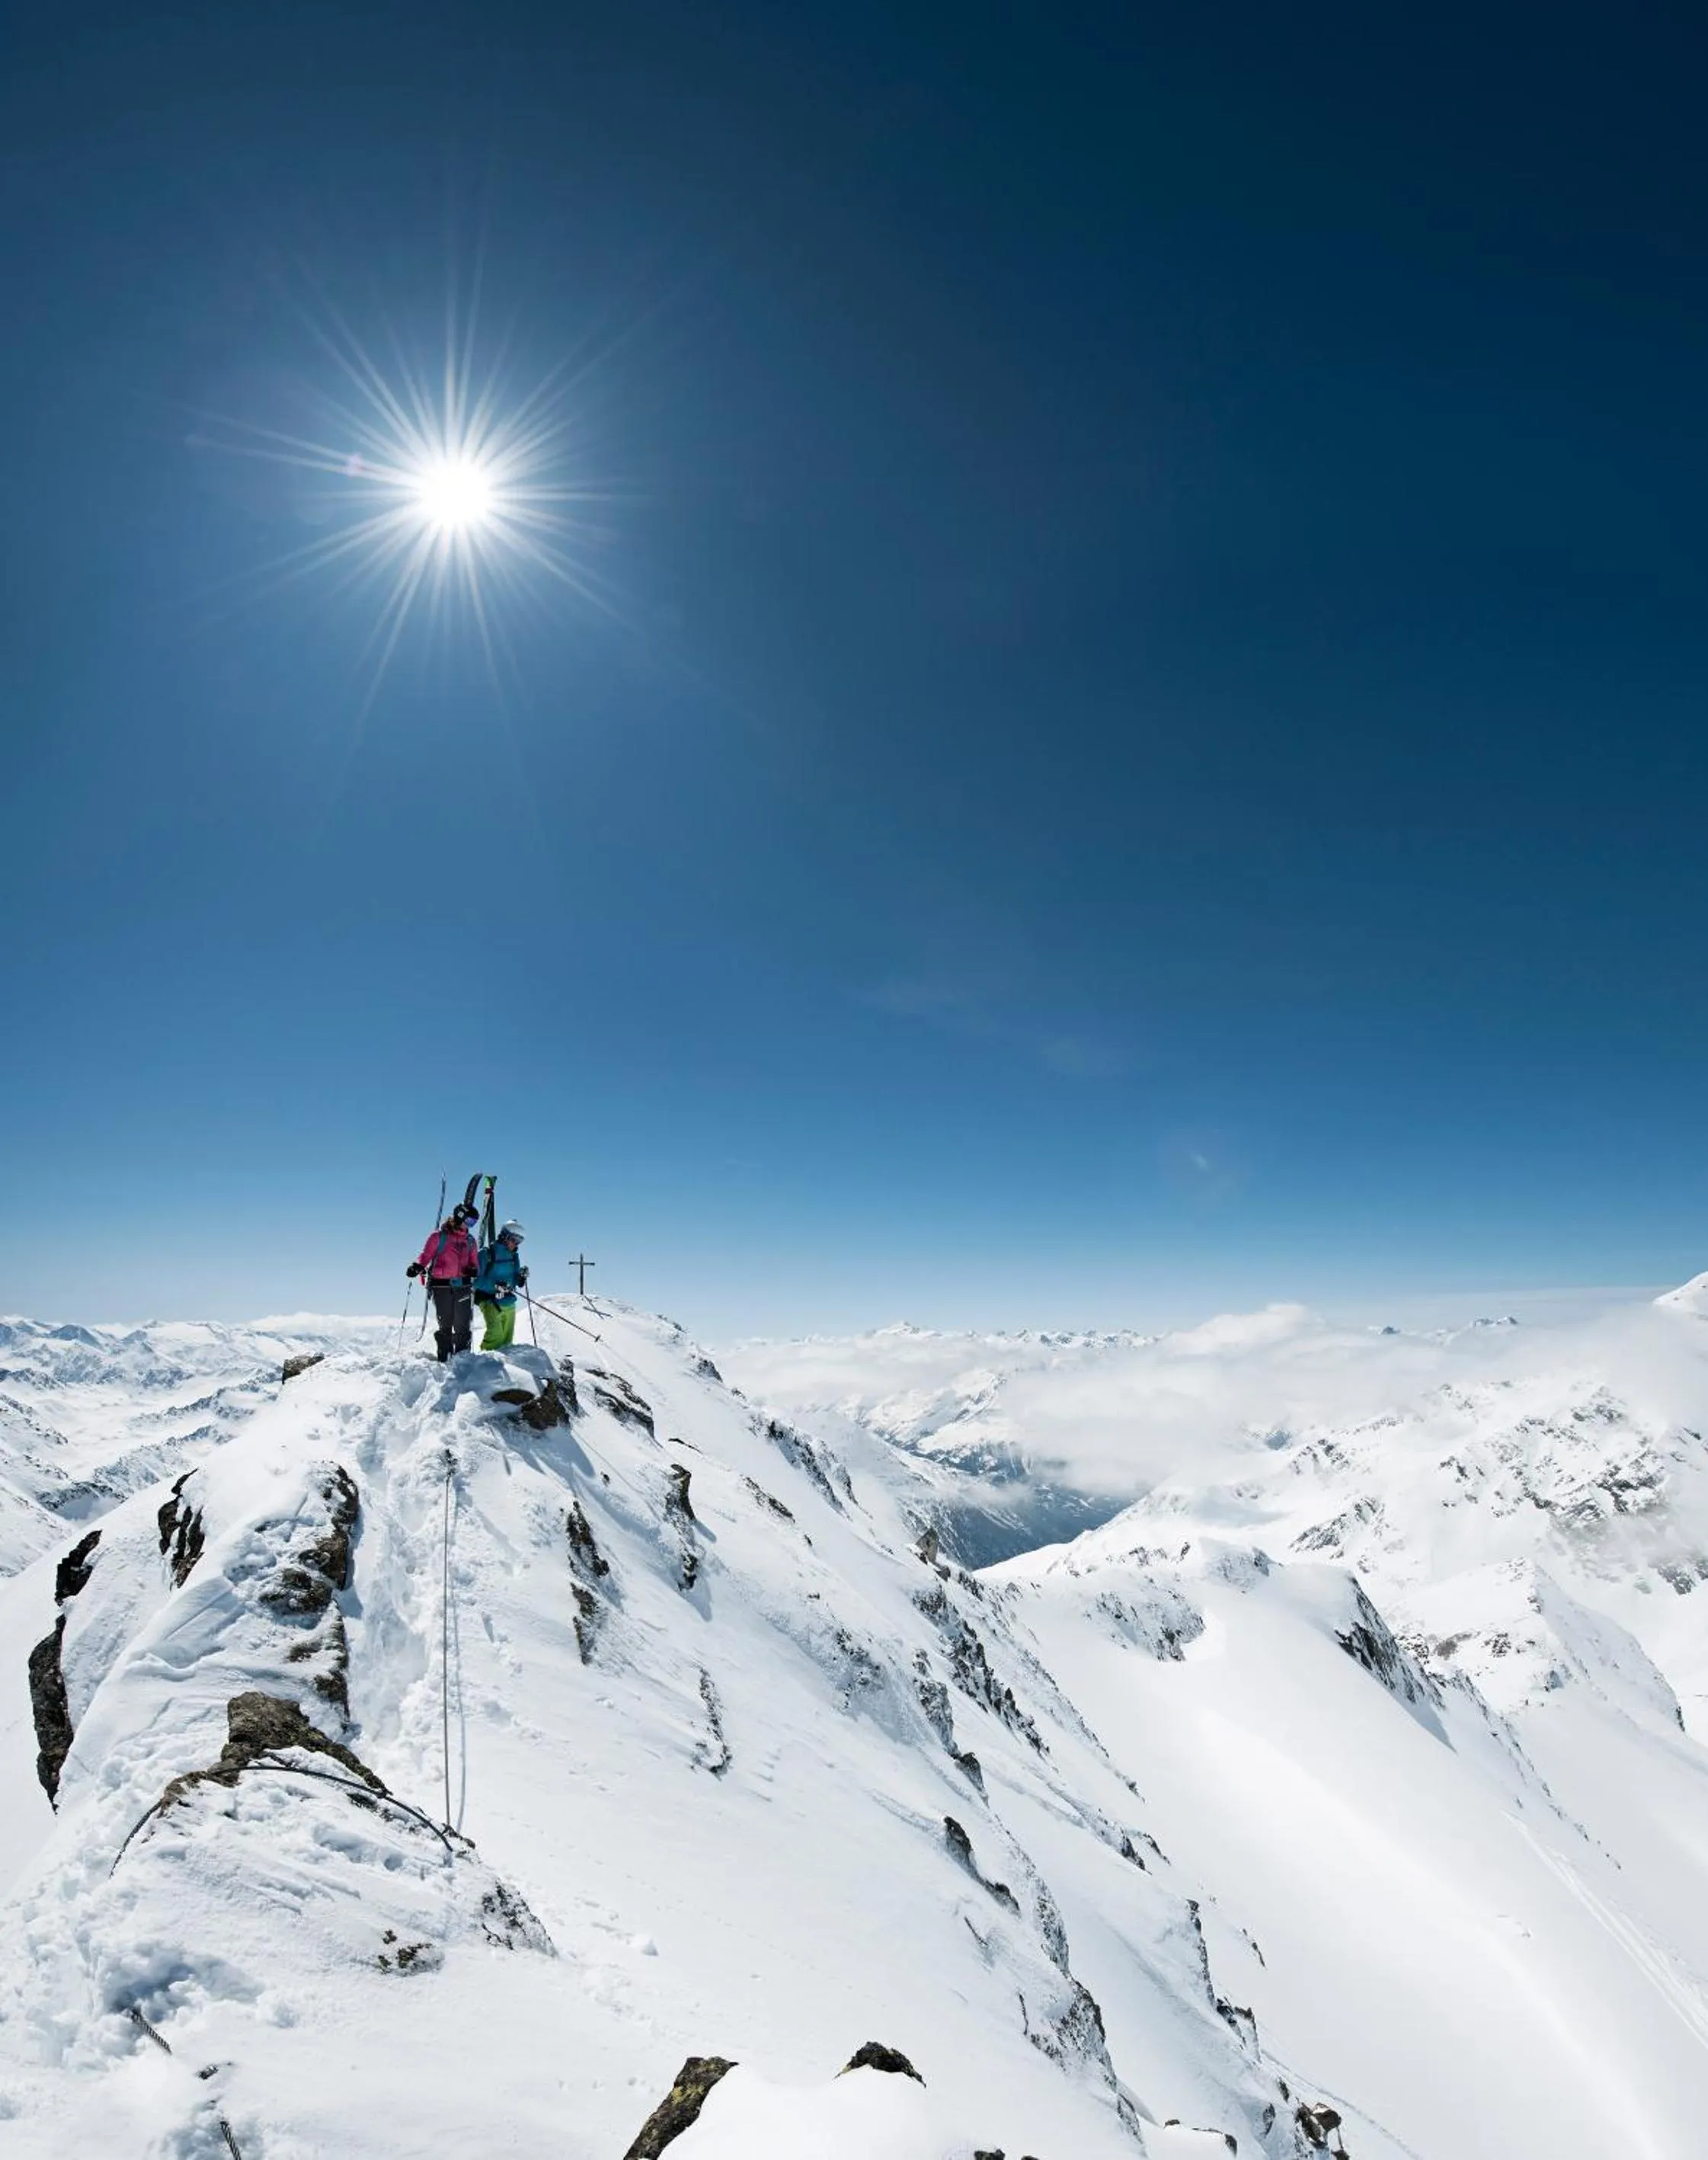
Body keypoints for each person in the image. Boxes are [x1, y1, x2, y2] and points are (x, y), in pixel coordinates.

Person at [408, 1207, 480, 1362]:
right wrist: (418, 1266)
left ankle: (463, 1360)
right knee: (445, 1324)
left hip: (463, 1287)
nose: (471, 1225)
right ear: (460, 1217)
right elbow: (426, 1255)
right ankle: (445, 1358)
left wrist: (473, 1270)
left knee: (462, 1325)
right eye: (469, 1221)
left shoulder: (470, 1241)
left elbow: (475, 1263)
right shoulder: (438, 1237)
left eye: (474, 1223)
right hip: (441, 1287)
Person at [474, 1220, 529, 1350]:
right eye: (514, 1240)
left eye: (519, 1241)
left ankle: (505, 1365)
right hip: (489, 1299)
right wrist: (495, 1286)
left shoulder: (514, 1256)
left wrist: (521, 1277)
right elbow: (476, 1280)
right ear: (504, 1236)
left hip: (508, 1300)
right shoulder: (486, 1254)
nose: (516, 1244)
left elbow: (514, 1279)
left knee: (507, 1338)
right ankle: (484, 1363)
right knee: (496, 1335)